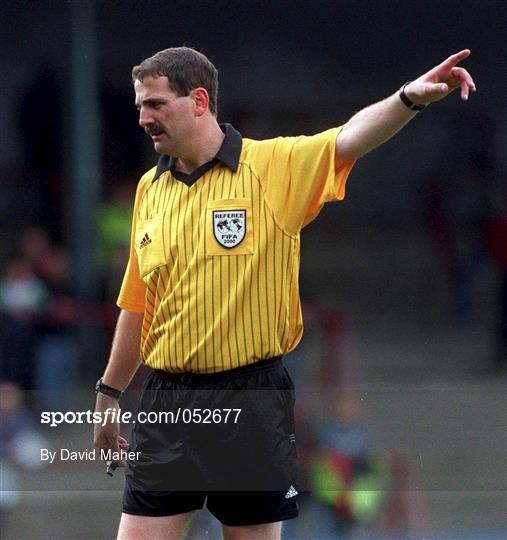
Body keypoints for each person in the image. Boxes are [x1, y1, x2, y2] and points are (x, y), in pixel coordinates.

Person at [93, 46, 475, 540]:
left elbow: (349, 139)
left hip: (251, 399)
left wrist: (408, 99)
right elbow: (137, 304)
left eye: (156, 105)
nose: (143, 118)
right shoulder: (150, 188)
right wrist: (108, 393)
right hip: (167, 399)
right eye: (139, 105)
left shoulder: (272, 166)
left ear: (199, 101)